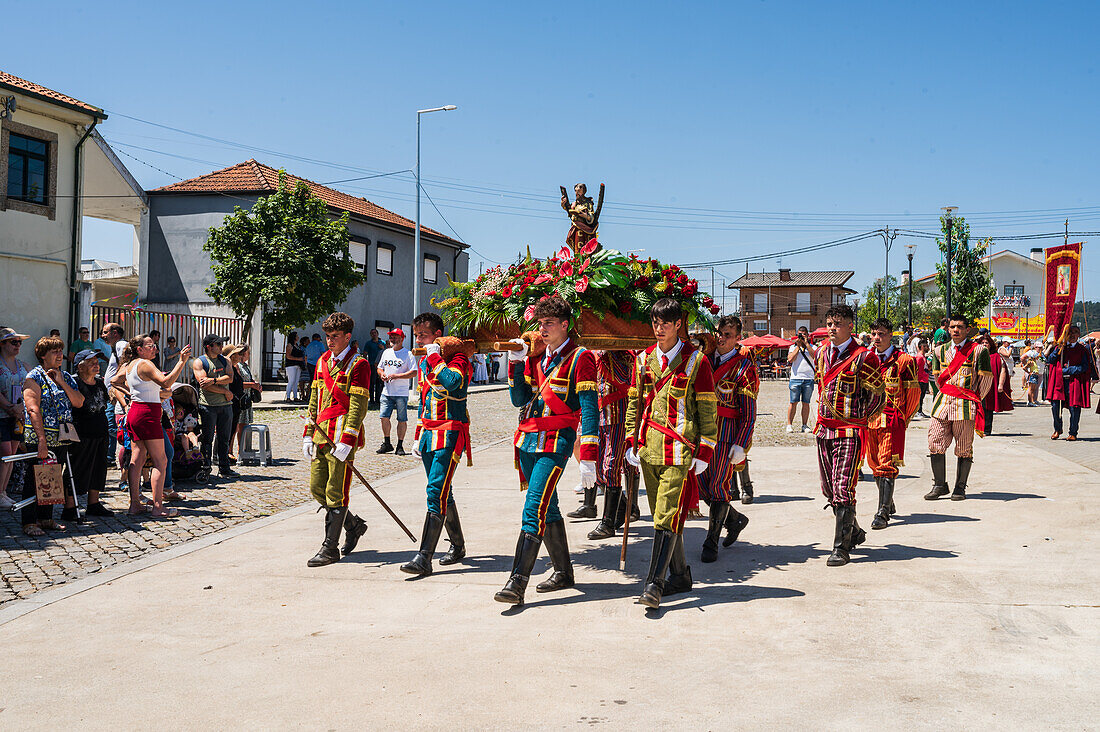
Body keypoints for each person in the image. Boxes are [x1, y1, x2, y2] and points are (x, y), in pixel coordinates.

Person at [495, 296, 599, 606]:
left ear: (565, 325)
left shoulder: (581, 357)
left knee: (533, 507)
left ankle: (517, 581)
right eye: (540, 324)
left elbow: (590, 410)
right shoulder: (536, 357)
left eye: (549, 324)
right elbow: (519, 400)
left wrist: (589, 459)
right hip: (527, 441)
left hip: (557, 441)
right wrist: (515, 362)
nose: (542, 330)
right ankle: (564, 572)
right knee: (549, 508)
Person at [624, 298, 717, 608]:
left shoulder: (697, 362)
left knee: (665, 516)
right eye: (655, 322)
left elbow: (707, 407)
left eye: (665, 322)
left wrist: (706, 449)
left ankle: (654, 584)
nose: (659, 328)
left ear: (679, 324)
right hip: (648, 450)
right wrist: (629, 441)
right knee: (664, 518)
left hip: (679, 450)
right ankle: (681, 576)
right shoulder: (641, 360)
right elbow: (634, 404)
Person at [399, 312, 472, 576]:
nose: (418, 339)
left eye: (423, 335)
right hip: (430, 434)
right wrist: (418, 435)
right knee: (443, 492)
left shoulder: (459, 358)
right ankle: (458, 545)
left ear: (438, 335)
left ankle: (424, 556)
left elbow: (453, 384)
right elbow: (424, 401)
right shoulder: (425, 364)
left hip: (451, 434)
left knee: (435, 491)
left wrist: (434, 356)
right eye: (416, 335)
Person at [812, 305, 885, 567]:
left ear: (851, 326)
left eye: (838, 324)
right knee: (828, 488)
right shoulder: (821, 353)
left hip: (849, 431)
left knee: (843, 488)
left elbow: (878, 395)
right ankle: (853, 531)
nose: (832, 328)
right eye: (830, 323)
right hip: (823, 429)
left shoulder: (865, 357)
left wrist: (860, 420)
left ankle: (841, 547)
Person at [302, 312, 371, 567]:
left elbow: (358, 405)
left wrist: (349, 439)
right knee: (317, 488)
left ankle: (330, 548)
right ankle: (353, 525)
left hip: (341, 437)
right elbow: (314, 400)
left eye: (335, 337)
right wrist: (308, 433)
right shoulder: (321, 362)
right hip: (321, 433)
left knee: (336, 491)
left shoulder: (359, 364)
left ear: (348, 337)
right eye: (328, 336)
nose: (330, 341)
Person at [697, 316, 756, 563]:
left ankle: (711, 542)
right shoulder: (704, 360)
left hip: (725, 433)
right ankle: (735, 519)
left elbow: (749, 411)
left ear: (737, 338)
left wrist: (741, 442)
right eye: (719, 333)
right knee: (701, 485)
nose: (722, 338)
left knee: (719, 485)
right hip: (701, 432)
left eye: (728, 334)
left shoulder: (744, 367)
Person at [112, 334, 191, 517]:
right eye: (150, 346)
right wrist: (181, 362)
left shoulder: (129, 365)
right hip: (147, 413)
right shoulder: (145, 364)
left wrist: (131, 394)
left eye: (155, 345)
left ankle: (135, 505)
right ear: (139, 349)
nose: (154, 348)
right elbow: (166, 382)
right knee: (160, 461)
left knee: (137, 460)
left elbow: (114, 381)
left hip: (136, 412)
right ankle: (157, 507)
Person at [20, 336, 85, 535]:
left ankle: (46, 518)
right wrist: (41, 440)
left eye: (60, 351)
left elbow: (79, 401)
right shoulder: (34, 377)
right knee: (34, 478)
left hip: (60, 436)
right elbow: (33, 409)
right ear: (42, 355)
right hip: (39, 436)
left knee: (52, 477)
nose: (60, 355)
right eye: (54, 352)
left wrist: (61, 382)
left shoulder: (63, 375)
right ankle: (29, 522)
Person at [925, 314, 993, 502]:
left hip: (965, 404)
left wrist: (974, 399)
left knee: (963, 447)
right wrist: (948, 393)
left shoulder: (979, 351)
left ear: (967, 329)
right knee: (934, 441)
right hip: (943, 403)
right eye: (953, 327)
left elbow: (985, 379)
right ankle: (939, 485)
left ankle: (959, 487)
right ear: (948, 329)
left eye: (960, 327)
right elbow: (938, 378)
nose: (956, 330)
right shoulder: (940, 351)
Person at [865, 318, 921, 530]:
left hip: (891, 419)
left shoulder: (904, 361)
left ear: (891, 335)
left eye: (881, 334)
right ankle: (887, 501)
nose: (877, 338)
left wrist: (902, 419)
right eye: (874, 334)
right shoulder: (866, 359)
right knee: (874, 463)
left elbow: (913, 394)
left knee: (887, 463)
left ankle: (882, 512)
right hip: (869, 420)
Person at [577, 350, 631, 533]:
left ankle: (608, 523)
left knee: (611, 467)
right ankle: (622, 506)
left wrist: (609, 355)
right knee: (598, 469)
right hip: (598, 416)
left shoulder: (623, 354)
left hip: (619, 416)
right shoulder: (590, 355)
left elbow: (626, 380)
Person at [69, 349, 114, 516]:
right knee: (77, 469)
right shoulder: (74, 383)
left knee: (99, 469)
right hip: (82, 433)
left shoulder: (99, 383)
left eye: (96, 361)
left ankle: (94, 503)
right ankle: (70, 506)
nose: (96, 364)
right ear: (80, 367)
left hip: (100, 432)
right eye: (91, 362)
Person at [192, 334, 236, 478]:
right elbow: (204, 385)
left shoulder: (226, 360)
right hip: (208, 406)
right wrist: (224, 389)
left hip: (226, 405)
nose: (221, 347)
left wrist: (214, 380)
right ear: (209, 347)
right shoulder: (200, 362)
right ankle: (205, 468)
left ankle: (224, 467)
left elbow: (230, 377)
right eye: (218, 344)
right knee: (207, 439)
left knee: (224, 438)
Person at [1045, 325, 1098, 441]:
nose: (1072, 335)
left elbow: (1085, 367)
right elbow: (1050, 360)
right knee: (1055, 406)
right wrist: (1058, 350)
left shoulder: (1082, 350)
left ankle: (1073, 432)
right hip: (1059, 382)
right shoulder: (1060, 348)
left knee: (1074, 408)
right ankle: (1057, 429)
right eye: (1070, 332)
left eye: (1075, 332)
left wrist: (1069, 370)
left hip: (1074, 383)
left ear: (1079, 335)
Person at [0, 327, 30, 508]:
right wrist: (10, 407)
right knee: (4, 455)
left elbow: (32, 386)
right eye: (14, 342)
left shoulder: (23, 365)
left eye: (19, 342)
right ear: (2, 344)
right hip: (3, 415)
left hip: (18, 416)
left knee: (11, 454)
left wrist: (21, 408)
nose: (18, 345)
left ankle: (3, 492)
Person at [376, 328, 416, 456]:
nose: (392, 339)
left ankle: (400, 445)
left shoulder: (408, 354)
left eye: (395, 337)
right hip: (386, 392)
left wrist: (397, 376)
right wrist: (382, 374)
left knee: (401, 419)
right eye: (391, 337)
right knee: (383, 417)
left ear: (402, 338)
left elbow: (414, 372)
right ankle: (387, 443)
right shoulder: (386, 352)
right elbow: (379, 367)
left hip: (401, 393)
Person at [228, 344, 260, 457]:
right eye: (248, 353)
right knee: (235, 427)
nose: (249, 355)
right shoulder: (237, 366)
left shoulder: (245, 366)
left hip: (246, 399)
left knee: (244, 426)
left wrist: (254, 384)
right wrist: (252, 385)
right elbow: (237, 383)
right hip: (238, 399)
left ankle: (242, 451)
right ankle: (230, 451)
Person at [786, 326, 816, 433]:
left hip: (808, 379)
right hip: (796, 378)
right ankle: (789, 425)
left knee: (806, 403)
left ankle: (804, 425)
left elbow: (815, 357)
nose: (801, 336)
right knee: (793, 402)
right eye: (799, 334)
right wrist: (798, 347)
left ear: (807, 335)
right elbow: (790, 359)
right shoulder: (792, 347)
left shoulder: (813, 347)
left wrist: (806, 344)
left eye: (803, 334)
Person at [364, 328, 385, 409]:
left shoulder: (382, 342)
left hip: (381, 366)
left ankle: (378, 399)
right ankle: (371, 400)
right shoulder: (368, 343)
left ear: (377, 334)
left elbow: (386, 352)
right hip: (372, 365)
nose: (374, 334)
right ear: (370, 335)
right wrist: (366, 364)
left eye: (375, 333)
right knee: (372, 383)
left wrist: (382, 348)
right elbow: (365, 354)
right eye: (372, 333)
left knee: (379, 383)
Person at [283, 331, 305, 402]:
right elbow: (288, 356)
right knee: (291, 381)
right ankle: (288, 397)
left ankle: (295, 396)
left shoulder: (297, 346)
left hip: (298, 365)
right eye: (296, 336)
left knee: (296, 382)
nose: (298, 337)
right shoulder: (290, 345)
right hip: (291, 365)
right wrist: (298, 359)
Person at [914, 339, 931, 418]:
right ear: (922, 347)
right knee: (919, 397)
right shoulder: (919, 357)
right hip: (920, 380)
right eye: (926, 346)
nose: (928, 347)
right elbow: (916, 368)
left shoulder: (923, 357)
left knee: (922, 396)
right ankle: (918, 411)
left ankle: (920, 411)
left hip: (924, 379)